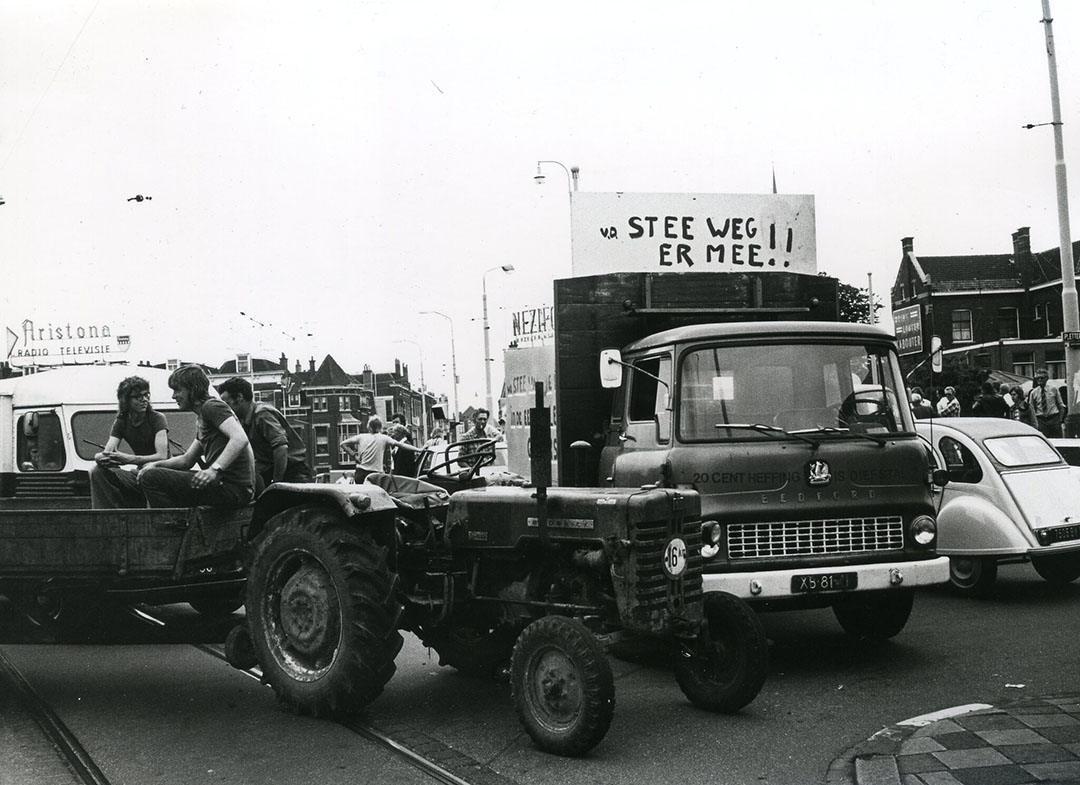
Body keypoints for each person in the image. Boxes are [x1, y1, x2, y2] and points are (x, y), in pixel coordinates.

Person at [137, 365, 255, 508]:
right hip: (229, 487)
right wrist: (155, 464)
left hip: (233, 489)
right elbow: (187, 460)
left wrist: (214, 469)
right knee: (152, 473)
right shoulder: (202, 418)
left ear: (193, 389)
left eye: (178, 390)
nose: (174, 396)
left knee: (150, 479)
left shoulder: (211, 407)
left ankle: (172, 526)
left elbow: (240, 438)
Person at [216, 376, 312, 492]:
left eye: (227, 403)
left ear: (240, 397)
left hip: (293, 473)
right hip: (274, 471)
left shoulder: (262, 414)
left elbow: (281, 448)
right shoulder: (243, 420)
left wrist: (276, 484)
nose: (226, 409)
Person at [90, 376, 170, 508]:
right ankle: (108, 517)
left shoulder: (157, 418)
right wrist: (99, 457)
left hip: (159, 473)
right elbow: (108, 453)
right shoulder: (122, 422)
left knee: (147, 474)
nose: (144, 400)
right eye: (138, 396)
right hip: (139, 474)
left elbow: (162, 456)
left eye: (146, 395)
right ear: (126, 400)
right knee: (97, 471)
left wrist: (128, 459)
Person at [341, 416, 421, 484]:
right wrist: (419, 449)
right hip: (375, 475)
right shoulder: (383, 438)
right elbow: (402, 445)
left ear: (369, 427)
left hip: (361, 473)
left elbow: (343, 444)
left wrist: (354, 456)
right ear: (379, 427)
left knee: (362, 498)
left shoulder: (361, 437)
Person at [1028, 368, 1064, 438]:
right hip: (1041, 420)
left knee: (1057, 439)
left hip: (1054, 419)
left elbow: (1060, 405)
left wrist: (1060, 419)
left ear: (1047, 378)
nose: (1040, 380)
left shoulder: (1053, 389)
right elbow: (1031, 409)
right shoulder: (1033, 392)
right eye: (1037, 378)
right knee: (1043, 439)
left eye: (1042, 378)